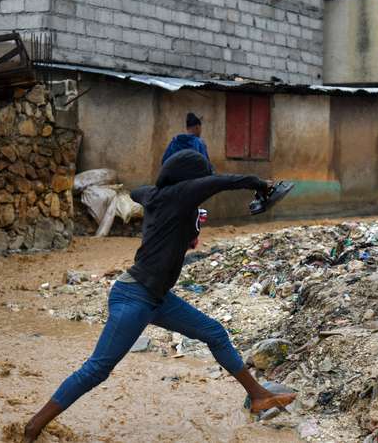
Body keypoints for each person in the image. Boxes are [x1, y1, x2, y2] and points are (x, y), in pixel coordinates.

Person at [23, 150, 296, 442]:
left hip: (157, 298)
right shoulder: (178, 195)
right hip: (133, 296)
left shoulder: (157, 195)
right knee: (97, 369)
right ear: (189, 180)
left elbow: (139, 192)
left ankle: (258, 396)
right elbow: (222, 182)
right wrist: (261, 185)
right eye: (199, 179)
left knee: (214, 333)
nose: (202, 186)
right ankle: (33, 428)